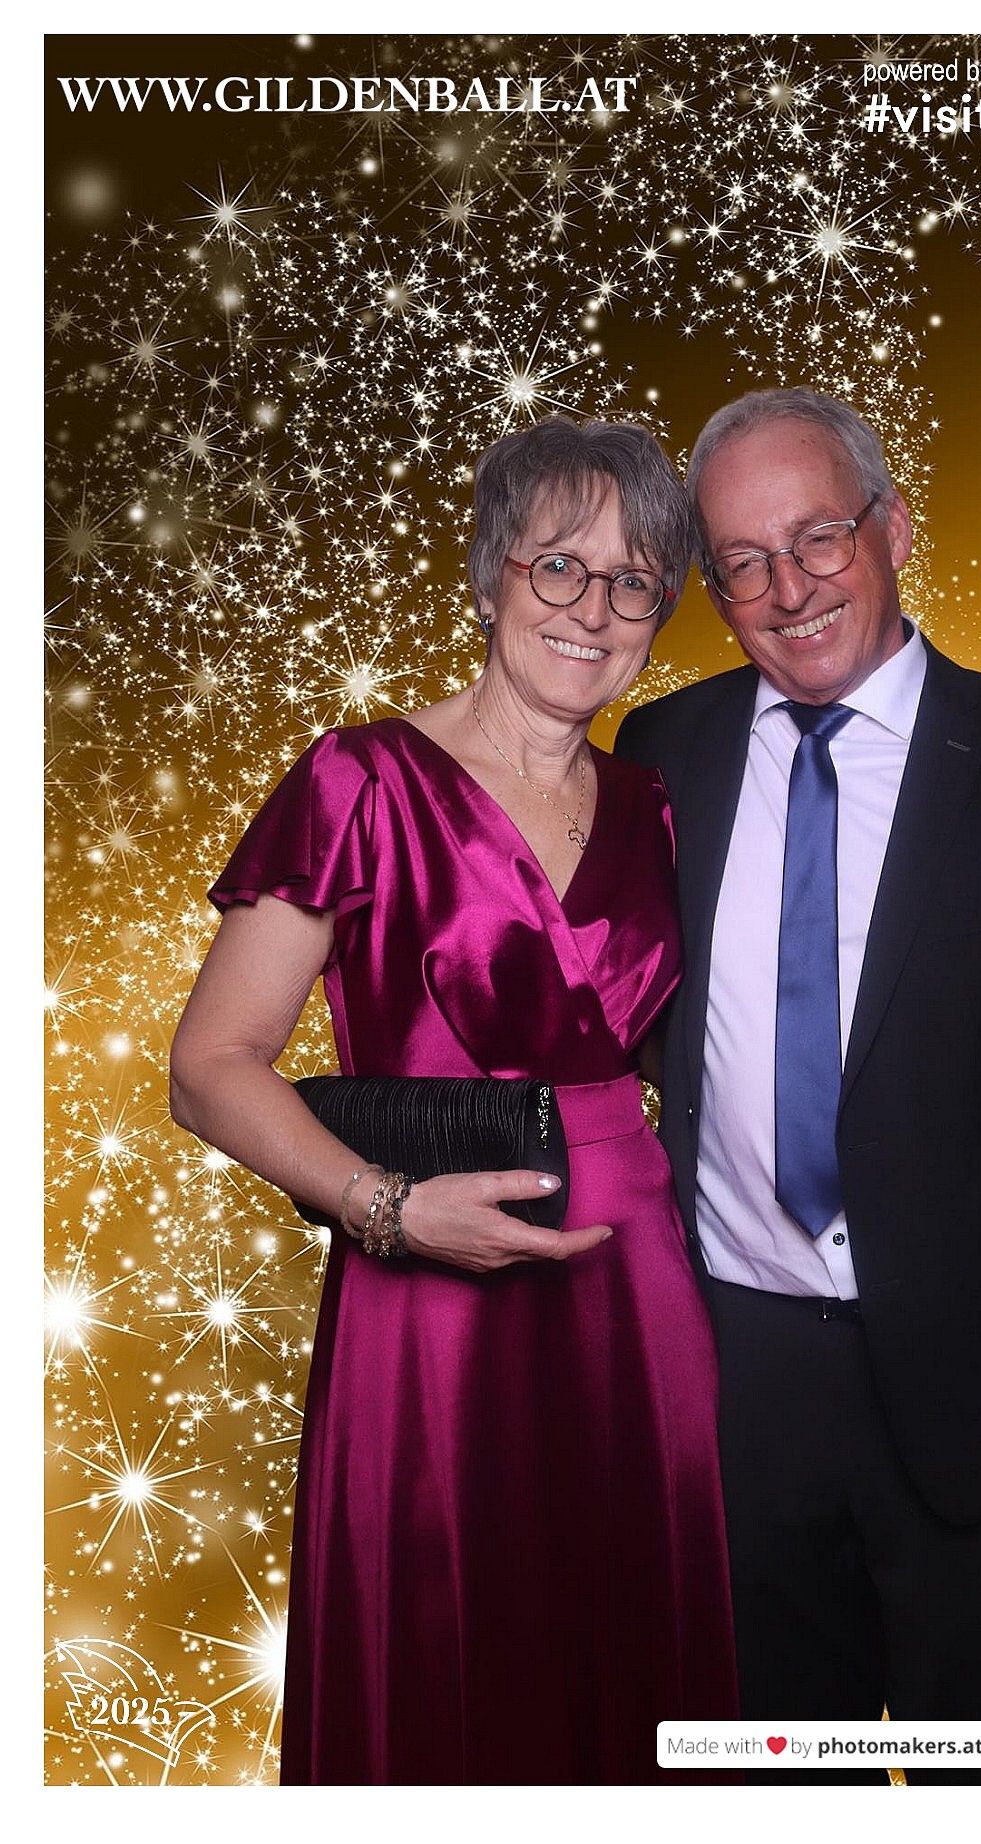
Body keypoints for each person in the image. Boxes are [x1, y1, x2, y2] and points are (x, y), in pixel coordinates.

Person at [614, 386, 981, 1784]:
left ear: (893, 528)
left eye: (817, 538)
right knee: (760, 1774)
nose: (788, 588)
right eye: (742, 563)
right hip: (737, 1386)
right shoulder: (664, 755)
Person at [169, 415, 739, 1785]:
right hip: (425, 1294)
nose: (593, 610)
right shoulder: (359, 779)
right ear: (491, 575)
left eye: (634, 582)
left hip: (642, 1294)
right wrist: (388, 1210)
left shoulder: (657, 803)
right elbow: (209, 1066)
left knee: (642, 1654)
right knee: (447, 1657)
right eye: (560, 566)